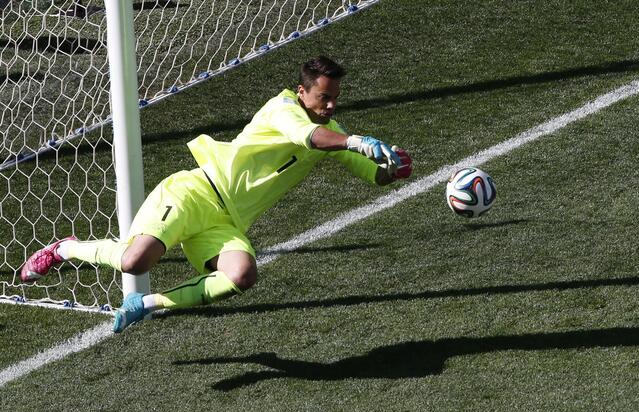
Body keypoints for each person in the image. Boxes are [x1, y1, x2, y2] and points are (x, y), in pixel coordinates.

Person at [20, 55, 412, 332]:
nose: (330, 105)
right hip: (195, 193)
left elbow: (372, 174)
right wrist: (355, 141)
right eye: (324, 97)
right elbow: (308, 136)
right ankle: (64, 249)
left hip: (226, 223)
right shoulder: (281, 109)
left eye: (335, 98)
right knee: (134, 262)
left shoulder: (335, 132)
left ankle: (145, 304)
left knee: (241, 275)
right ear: (301, 92)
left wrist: (394, 169)